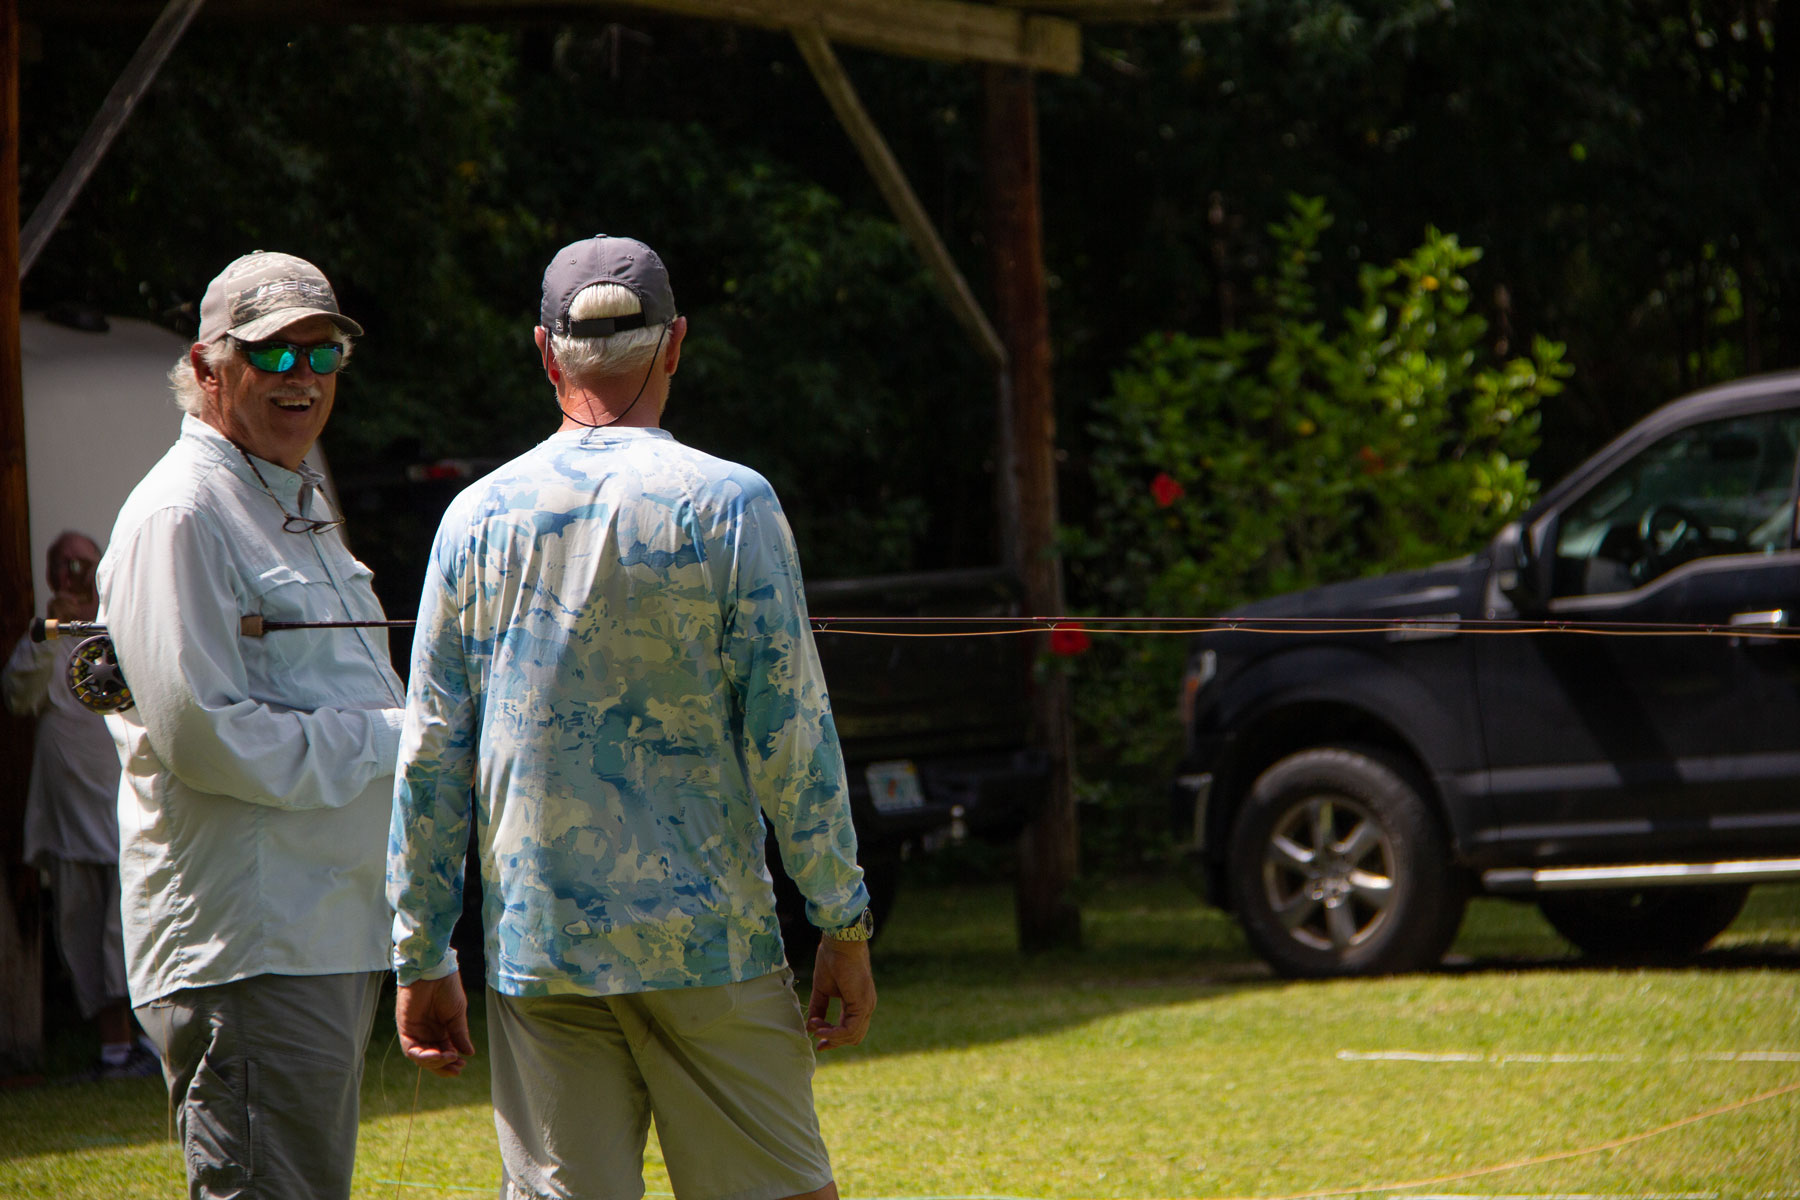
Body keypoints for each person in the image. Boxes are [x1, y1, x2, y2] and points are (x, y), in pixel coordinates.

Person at [389, 234, 877, 1200]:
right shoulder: (731, 504)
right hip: (712, 944)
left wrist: (420, 951)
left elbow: (432, 752)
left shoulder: (474, 518)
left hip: (541, 950)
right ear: (676, 343)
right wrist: (842, 921)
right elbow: (793, 738)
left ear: (545, 351)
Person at [96, 251, 406, 1200]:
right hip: (251, 950)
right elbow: (205, 736)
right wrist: (398, 735)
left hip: (321, 934)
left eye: (322, 354)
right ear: (206, 366)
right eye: (270, 354)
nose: (300, 377)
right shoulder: (181, 513)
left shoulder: (288, 496)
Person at [2, 530, 158, 1081]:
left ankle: (150, 1042)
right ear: (50, 574)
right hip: (68, 811)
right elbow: (18, 696)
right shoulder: (43, 634)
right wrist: (49, 631)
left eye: (84, 563)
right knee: (80, 928)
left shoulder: (128, 624)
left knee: (132, 925)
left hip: (125, 805)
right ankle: (114, 1049)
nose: (74, 574)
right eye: (64, 564)